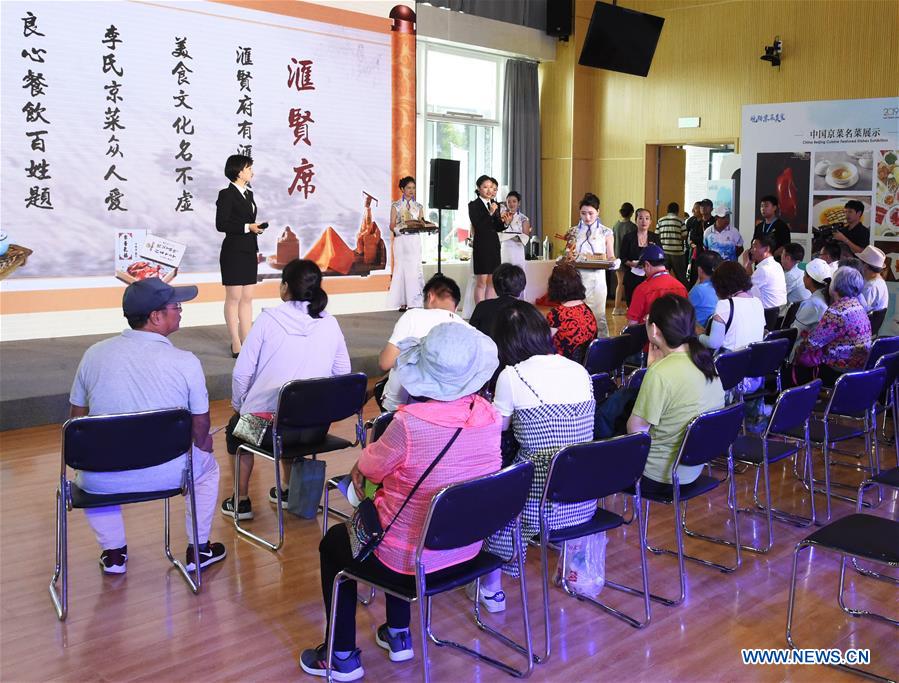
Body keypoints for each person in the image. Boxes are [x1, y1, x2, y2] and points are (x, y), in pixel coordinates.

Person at [299, 323, 501, 680]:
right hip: (466, 549)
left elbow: (369, 465)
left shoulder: (409, 425)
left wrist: (365, 468)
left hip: (410, 559)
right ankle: (397, 633)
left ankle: (341, 655)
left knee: (336, 543)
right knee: (402, 513)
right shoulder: (489, 416)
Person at [68, 278, 225, 574]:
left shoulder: (93, 354)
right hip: (170, 472)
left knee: (92, 469)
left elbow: (77, 422)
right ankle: (198, 549)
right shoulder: (186, 361)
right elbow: (201, 426)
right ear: (155, 317)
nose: (180, 311)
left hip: (102, 478)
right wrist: (202, 444)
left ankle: (114, 554)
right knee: (208, 469)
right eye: (175, 307)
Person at [477, 300, 595, 611]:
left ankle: (491, 589)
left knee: (494, 493)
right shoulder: (579, 370)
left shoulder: (512, 376)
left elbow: (498, 428)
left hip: (539, 504)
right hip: (583, 499)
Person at [221, 259, 351, 520]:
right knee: (292, 413)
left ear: (284, 288)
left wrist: (240, 406)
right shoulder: (330, 322)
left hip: (272, 431)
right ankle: (290, 491)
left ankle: (241, 501)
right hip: (316, 429)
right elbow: (343, 374)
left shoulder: (268, 320)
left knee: (237, 429)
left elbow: (242, 372)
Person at [627, 294, 724, 495]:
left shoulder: (661, 373)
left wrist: (653, 370)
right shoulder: (705, 361)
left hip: (656, 476)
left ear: (654, 329)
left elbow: (636, 432)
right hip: (693, 469)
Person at [379, 274, 467, 411]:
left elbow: (386, 362)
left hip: (404, 409)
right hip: (449, 410)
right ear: (456, 307)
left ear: (430, 296)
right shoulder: (466, 328)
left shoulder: (413, 316)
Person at [216, 154, 267, 358]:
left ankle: (247, 340)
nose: (251, 172)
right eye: (248, 168)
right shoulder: (226, 194)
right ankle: (235, 342)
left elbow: (246, 221)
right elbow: (221, 225)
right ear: (238, 171)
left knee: (247, 297)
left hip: (248, 250)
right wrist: (248, 227)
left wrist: (255, 229)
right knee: (234, 297)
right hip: (233, 251)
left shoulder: (249, 194)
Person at [793, 266, 872, 386]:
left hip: (838, 369)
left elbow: (813, 343)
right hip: (859, 367)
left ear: (836, 285)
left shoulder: (837, 311)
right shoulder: (857, 305)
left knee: (800, 360)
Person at [566, 192, 615, 337]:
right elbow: (569, 253)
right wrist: (568, 256)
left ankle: (601, 347)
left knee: (598, 316)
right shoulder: (573, 231)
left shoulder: (606, 232)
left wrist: (613, 262)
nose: (587, 217)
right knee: (576, 315)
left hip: (597, 279)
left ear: (598, 212)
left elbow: (611, 255)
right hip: (577, 278)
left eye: (591, 213)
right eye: (583, 213)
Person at [698, 261, 765, 354]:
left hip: (729, 362)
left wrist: (699, 336)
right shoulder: (758, 302)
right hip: (752, 360)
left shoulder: (725, 305)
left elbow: (714, 343)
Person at [546, 262, 598, 361]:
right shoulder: (587, 310)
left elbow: (542, 343)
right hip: (586, 365)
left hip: (563, 367)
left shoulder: (556, 315)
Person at [626, 244, 688, 327]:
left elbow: (632, 324)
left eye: (643, 267)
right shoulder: (681, 287)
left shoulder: (642, 289)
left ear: (647, 264)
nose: (644, 271)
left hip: (649, 338)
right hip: (677, 338)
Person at [387, 176, 425, 312]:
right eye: (408, 188)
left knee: (414, 269)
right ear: (402, 189)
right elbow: (391, 224)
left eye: (413, 188)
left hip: (414, 240)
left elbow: (422, 221)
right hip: (401, 240)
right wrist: (400, 229)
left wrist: (424, 225)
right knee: (401, 269)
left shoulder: (418, 206)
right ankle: (402, 302)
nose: (411, 190)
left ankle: (415, 301)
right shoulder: (396, 205)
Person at [469, 175, 505, 304]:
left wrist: (505, 221)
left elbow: (498, 227)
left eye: (491, 187)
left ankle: (489, 308)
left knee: (492, 280)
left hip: (494, 245)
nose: (489, 190)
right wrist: (490, 212)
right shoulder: (473, 205)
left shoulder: (495, 205)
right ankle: (480, 310)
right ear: (479, 189)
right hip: (482, 245)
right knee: (481, 281)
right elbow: (479, 225)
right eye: (485, 187)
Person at [469, 263, 528, 340]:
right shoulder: (528, 309)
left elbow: (471, 335)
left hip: (487, 350)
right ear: (522, 286)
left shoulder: (482, 306)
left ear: (495, 285)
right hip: (517, 351)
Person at [620, 208, 662, 305]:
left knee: (649, 306)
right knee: (632, 305)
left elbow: (661, 257)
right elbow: (622, 258)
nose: (644, 221)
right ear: (636, 221)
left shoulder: (655, 237)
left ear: (650, 221)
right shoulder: (628, 237)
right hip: (632, 276)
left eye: (647, 218)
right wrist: (633, 264)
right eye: (641, 218)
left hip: (650, 277)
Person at [790, 258, 831, 343]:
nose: (803, 277)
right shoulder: (826, 297)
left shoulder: (812, 304)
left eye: (805, 274)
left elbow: (794, 333)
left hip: (804, 351)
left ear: (810, 279)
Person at [742, 234, 787, 311]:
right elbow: (751, 282)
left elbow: (744, 290)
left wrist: (746, 263)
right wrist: (749, 264)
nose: (751, 250)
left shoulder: (763, 270)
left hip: (766, 315)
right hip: (777, 314)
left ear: (766, 249)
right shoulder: (776, 265)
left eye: (754, 247)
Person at [611, 202, 637, 315]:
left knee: (620, 283)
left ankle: (617, 307)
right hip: (628, 259)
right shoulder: (632, 227)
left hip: (617, 258)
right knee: (629, 284)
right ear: (631, 213)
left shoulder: (615, 225)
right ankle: (625, 307)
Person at [688, 250, 722, 328]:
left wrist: (698, 280)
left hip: (699, 334)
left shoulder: (698, 290)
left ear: (700, 270)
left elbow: (684, 310)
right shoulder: (724, 287)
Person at [657, 202, 688, 284]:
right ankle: (684, 294)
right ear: (677, 211)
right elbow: (684, 235)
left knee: (662, 276)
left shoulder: (660, 220)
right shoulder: (680, 221)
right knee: (681, 276)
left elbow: (657, 235)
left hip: (663, 252)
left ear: (667, 210)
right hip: (677, 253)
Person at [498, 190, 531, 268]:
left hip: (517, 249)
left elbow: (525, 238)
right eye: (509, 202)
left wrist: (511, 236)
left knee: (517, 273)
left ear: (518, 203)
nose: (511, 204)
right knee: (504, 272)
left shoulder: (523, 219)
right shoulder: (501, 217)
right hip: (505, 249)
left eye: (514, 201)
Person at [688, 199, 716, 286]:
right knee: (695, 278)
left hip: (711, 255)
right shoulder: (696, 222)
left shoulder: (714, 222)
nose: (703, 208)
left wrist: (700, 240)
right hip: (698, 254)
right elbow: (692, 237)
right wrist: (700, 240)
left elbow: (712, 238)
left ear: (711, 208)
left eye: (706, 206)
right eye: (702, 206)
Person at [857, 245, 889, 314]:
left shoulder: (871, 287)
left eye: (860, 262)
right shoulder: (879, 281)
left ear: (865, 266)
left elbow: (861, 311)